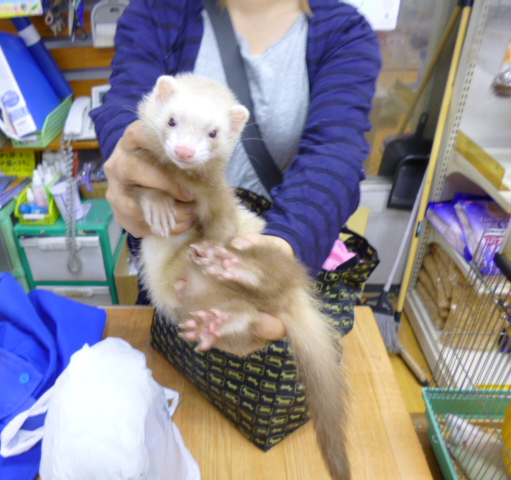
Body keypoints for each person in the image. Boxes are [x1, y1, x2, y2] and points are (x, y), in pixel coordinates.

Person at [90, 0, 381, 347]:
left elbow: (335, 154)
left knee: (249, 276)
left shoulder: (344, 31)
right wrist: (134, 172)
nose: (185, 150)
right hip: (176, 271)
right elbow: (125, 105)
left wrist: (284, 246)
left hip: (276, 240)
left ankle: (248, 304)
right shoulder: (158, 10)